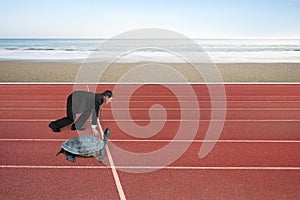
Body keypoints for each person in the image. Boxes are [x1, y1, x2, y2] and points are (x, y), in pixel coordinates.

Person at [49, 90, 113, 136]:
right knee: (70, 118)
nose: (110, 102)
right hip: (73, 99)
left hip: (79, 100)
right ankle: (54, 125)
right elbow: (95, 114)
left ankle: (77, 125)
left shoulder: (100, 98)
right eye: (110, 100)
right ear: (106, 97)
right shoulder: (98, 100)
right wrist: (93, 128)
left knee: (88, 110)